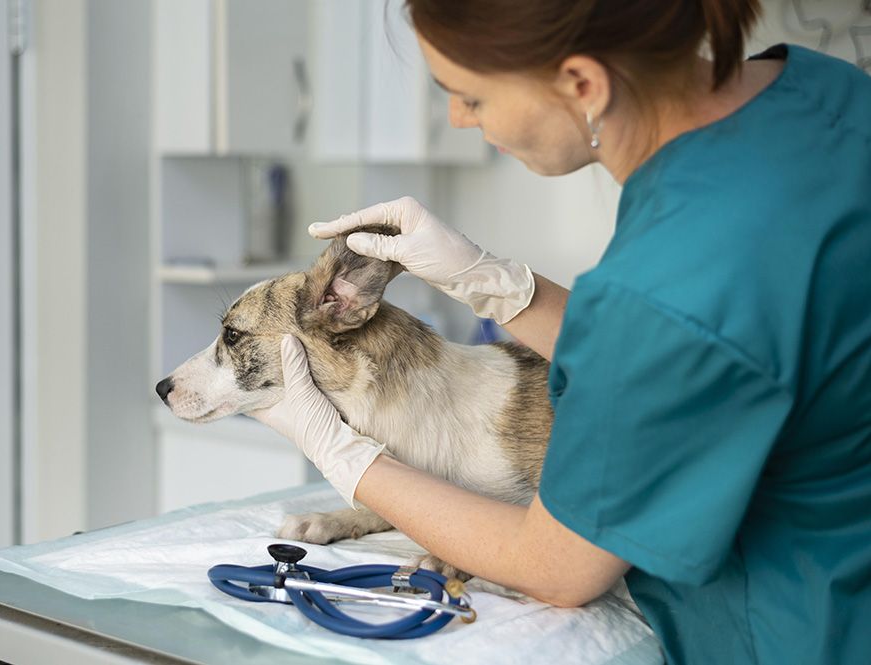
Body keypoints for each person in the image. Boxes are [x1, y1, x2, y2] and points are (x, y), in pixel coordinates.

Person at [251, 1, 871, 663]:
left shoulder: (674, 277)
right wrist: (498, 285)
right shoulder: (829, 93)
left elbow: (554, 566)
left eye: (471, 96)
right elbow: (707, 358)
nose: (460, 118)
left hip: (810, 625)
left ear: (582, 83)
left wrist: (344, 455)